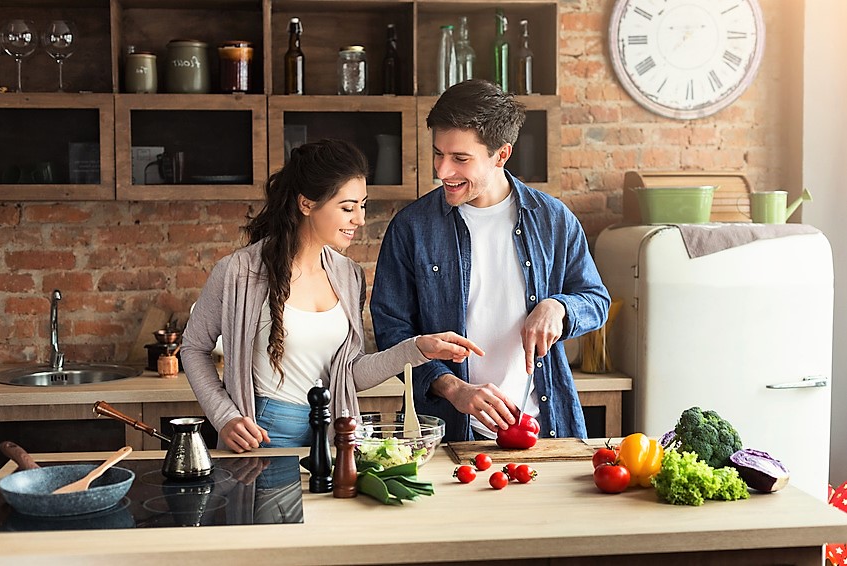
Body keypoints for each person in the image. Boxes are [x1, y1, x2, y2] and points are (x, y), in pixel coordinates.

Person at [181, 139, 483, 453]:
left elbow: (349, 374)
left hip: (333, 435)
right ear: (307, 204)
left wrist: (417, 348)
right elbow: (193, 348)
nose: (360, 219)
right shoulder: (238, 272)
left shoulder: (349, 276)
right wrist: (224, 416)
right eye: (347, 207)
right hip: (264, 436)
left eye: (362, 205)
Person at [370, 80, 610, 443]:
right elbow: (392, 331)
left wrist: (558, 307)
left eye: (460, 159)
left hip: (543, 429)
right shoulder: (411, 228)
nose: (442, 171)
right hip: (447, 435)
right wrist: (453, 388)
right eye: (438, 154)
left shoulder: (554, 221)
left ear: (501, 154)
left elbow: (596, 300)